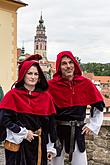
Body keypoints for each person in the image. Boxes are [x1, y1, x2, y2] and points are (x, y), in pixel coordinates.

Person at [48, 51, 105, 165]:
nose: (68, 66)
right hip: (57, 131)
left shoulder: (85, 84)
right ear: (59, 66)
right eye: (64, 63)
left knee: (80, 163)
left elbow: (98, 106)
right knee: (56, 163)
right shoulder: (51, 85)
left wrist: (92, 125)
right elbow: (45, 111)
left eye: (70, 62)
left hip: (78, 130)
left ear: (75, 64)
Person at [0, 55, 57, 165]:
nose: (33, 77)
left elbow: (50, 125)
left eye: (36, 74)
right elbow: (4, 120)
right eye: (29, 73)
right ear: (23, 75)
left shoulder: (46, 97)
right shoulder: (12, 95)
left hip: (39, 145)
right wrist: (24, 132)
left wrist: (50, 147)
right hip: (18, 144)